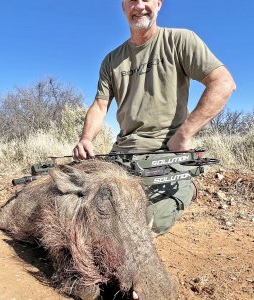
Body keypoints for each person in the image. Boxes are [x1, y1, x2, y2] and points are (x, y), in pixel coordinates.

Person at [73, 1, 235, 296]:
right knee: (79, 204)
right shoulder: (112, 59)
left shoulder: (181, 39)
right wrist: (86, 139)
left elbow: (223, 83)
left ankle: (185, 188)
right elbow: (99, 104)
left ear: (158, 4)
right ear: (123, 7)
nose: (139, 6)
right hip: (120, 153)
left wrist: (184, 135)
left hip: (166, 152)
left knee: (148, 218)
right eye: (131, 0)